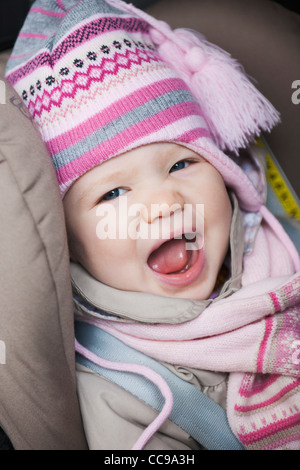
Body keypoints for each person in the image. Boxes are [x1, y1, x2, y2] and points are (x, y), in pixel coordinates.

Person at [6, 0, 300, 450]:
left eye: (181, 163)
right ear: (71, 245)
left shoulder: (284, 249)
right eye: (113, 194)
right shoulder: (121, 389)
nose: (163, 202)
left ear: (224, 173)